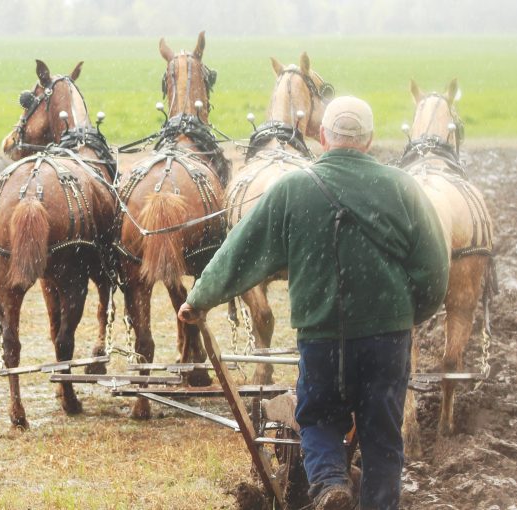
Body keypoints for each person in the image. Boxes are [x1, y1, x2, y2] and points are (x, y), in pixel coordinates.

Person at [178, 96, 449, 510]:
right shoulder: (403, 188)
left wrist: (200, 299)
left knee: (319, 416)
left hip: (323, 336)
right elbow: (434, 270)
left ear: (322, 137)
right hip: (387, 338)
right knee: (382, 434)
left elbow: (241, 251)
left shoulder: (293, 189)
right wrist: (409, 314)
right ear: (371, 139)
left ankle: (328, 485)